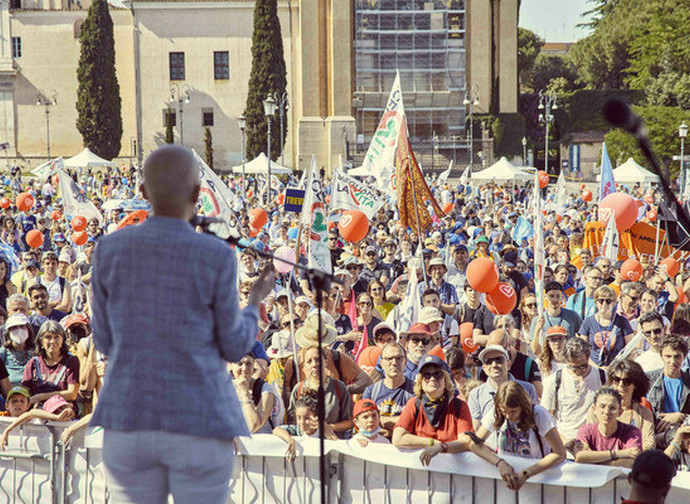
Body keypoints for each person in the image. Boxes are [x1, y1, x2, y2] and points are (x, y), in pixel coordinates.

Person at [90, 145, 274, 504]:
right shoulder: (217, 255)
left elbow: (105, 341)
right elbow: (235, 346)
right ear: (196, 194)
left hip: (129, 417)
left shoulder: (108, 250)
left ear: (142, 193)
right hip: (200, 420)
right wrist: (253, 304)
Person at [472, 381, 566, 491]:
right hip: (507, 479)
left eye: (513, 411)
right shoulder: (496, 413)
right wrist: (500, 463)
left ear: (522, 406)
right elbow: (475, 444)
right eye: (504, 411)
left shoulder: (538, 414)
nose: (508, 416)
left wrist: (526, 474)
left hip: (538, 479)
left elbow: (559, 453)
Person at [392, 355, 474, 466]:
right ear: (421, 381)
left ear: (446, 379)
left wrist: (441, 447)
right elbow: (398, 438)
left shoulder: (459, 406)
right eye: (427, 375)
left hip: (453, 471)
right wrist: (432, 443)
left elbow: (466, 441)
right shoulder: (414, 404)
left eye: (437, 374)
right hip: (420, 470)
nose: (432, 379)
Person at [541, 337, 606, 443]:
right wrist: (564, 440)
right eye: (573, 367)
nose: (579, 371)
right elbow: (545, 417)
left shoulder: (602, 377)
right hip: (564, 440)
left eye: (583, 366)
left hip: (594, 441)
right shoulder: (554, 380)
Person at [586, 360, 655, 450]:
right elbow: (592, 441)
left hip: (632, 461)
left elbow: (649, 444)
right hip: (602, 461)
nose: (621, 385)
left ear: (635, 385)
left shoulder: (644, 413)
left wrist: (624, 455)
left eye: (627, 381)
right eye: (616, 380)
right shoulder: (596, 410)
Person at [288, 344, 353, 438]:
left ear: (326, 361)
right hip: (307, 445)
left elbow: (350, 422)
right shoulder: (298, 389)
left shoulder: (339, 388)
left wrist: (329, 427)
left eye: (318, 359)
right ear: (304, 365)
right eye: (309, 361)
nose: (314, 364)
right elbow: (292, 422)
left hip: (332, 445)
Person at [467, 343, 538, 429]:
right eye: (488, 361)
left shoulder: (527, 389)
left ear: (508, 365)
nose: (494, 365)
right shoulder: (475, 395)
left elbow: (534, 421)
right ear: (484, 368)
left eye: (499, 360)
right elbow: (476, 428)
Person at [573, 387, 643, 468]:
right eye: (602, 406)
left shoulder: (632, 432)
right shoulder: (586, 430)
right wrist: (618, 454)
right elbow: (580, 457)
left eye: (612, 408)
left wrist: (591, 460)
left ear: (620, 412)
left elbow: (632, 462)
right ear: (594, 409)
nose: (606, 412)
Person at [646, 334, 690, 447]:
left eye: (677, 356)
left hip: (684, 433)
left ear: (684, 357)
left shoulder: (688, 381)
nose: (672, 361)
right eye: (668, 356)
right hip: (656, 432)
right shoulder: (649, 380)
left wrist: (682, 416)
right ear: (661, 356)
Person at [362, 342, 415, 437]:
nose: (394, 363)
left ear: (405, 362)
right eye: (389, 358)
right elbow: (364, 423)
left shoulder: (416, 391)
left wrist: (381, 420)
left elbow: (416, 421)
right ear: (381, 363)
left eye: (399, 358)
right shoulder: (371, 391)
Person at [578, 286, 633, 368]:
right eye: (601, 301)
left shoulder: (622, 321)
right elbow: (582, 351)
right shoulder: (588, 322)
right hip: (593, 368)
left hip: (617, 368)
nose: (604, 304)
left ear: (613, 303)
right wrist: (597, 368)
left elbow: (631, 348)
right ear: (596, 302)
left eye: (608, 301)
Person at [230, 352, 284, 434]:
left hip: (260, 442)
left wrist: (245, 392)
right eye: (239, 363)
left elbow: (253, 426)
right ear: (230, 366)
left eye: (248, 364)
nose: (244, 368)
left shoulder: (265, 388)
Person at [530, 281, 582, 356]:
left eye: (558, 296)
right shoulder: (538, 319)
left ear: (562, 297)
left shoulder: (573, 316)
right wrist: (538, 329)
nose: (555, 300)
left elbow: (583, 339)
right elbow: (534, 350)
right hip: (547, 361)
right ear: (545, 296)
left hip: (568, 360)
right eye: (551, 296)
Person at [1, 313, 34, 386]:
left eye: (22, 327)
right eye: (14, 327)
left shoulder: (36, 352)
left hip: (34, 395)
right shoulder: (3, 353)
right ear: (8, 332)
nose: (19, 330)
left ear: (28, 329)